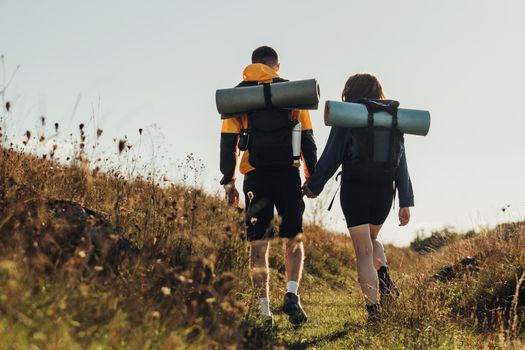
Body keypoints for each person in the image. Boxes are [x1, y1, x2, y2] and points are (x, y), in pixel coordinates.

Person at [302, 73, 413, 322]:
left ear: (350, 91)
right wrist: (405, 200)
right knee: (373, 239)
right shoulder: (393, 118)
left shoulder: (349, 115)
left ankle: (374, 312)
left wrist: (314, 186)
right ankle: (383, 274)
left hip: (355, 189)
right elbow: (401, 161)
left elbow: (333, 155)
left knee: (363, 251)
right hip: (384, 190)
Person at [220, 46, 317, 326]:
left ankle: (264, 310)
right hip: (288, 175)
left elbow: (228, 143)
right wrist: (313, 178)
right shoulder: (293, 93)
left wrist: (229, 181)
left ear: (251, 65)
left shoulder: (238, 97)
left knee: (259, 243)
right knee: (293, 237)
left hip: (256, 177)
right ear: (277, 66)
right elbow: (307, 139)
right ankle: (291, 294)